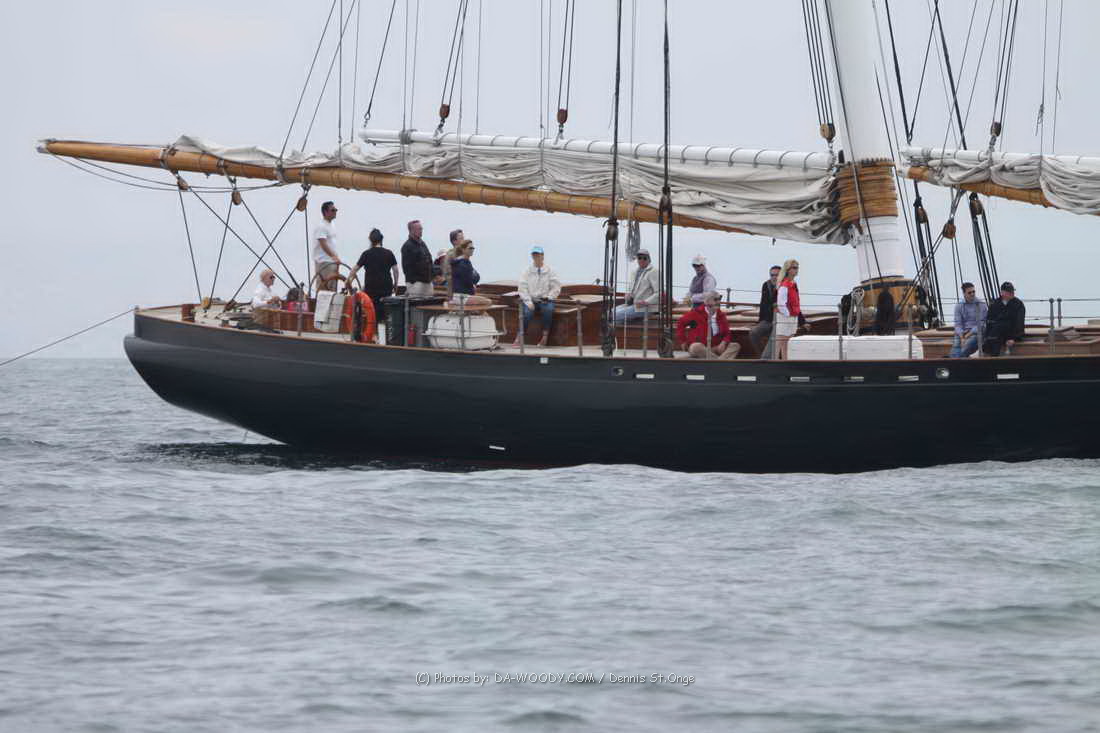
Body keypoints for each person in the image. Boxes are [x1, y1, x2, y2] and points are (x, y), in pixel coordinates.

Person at [515, 245, 562, 348]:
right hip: (531, 299)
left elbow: (556, 287)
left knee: (548, 310)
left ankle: (545, 337)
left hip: (545, 299)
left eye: (538, 254)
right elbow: (522, 287)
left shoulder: (550, 270)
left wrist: (549, 297)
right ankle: (519, 337)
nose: (536, 257)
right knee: (527, 313)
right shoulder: (527, 271)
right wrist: (528, 301)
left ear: (543, 256)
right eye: (534, 255)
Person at [346, 228, 399, 319]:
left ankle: (371, 323)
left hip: (371, 287)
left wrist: (348, 280)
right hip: (386, 287)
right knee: (384, 309)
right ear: (381, 239)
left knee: (370, 309)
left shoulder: (366, 254)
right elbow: (395, 270)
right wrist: (395, 284)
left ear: (370, 240)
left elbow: (355, 269)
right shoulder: (389, 253)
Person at [675, 291, 739, 359]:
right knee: (695, 347)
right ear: (707, 301)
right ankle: (720, 362)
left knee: (735, 346)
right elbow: (680, 323)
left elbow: (727, 333)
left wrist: (724, 342)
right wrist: (683, 341)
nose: (718, 302)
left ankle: (717, 361)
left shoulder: (721, 315)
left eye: (719, 299)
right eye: (715, 299)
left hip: (716, 347)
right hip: (701, 348)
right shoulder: (695, 313)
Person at [612, 249, 661, 323]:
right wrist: (628, 294)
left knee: (615, 315)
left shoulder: (654, 272)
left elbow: (658, 293)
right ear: (637, 259)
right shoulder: (634, 272)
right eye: (639, 258)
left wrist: (645, 302)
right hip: (633, 304)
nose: (642, 260)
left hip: (646, 308)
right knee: (610, 312)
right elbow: (630, 288)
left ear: (649, 260)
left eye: (644, 258)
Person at [983, 281, 1026, 356]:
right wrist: (987, 336)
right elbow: (989, 321)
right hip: (997, 333)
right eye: (1009, 292)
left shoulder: (1018, 304)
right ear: (1002, 293)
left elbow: (1019, 322)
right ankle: (991, 354)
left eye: (1012, 291)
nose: (1012, 293)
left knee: (1000, 327)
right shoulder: (994, 304)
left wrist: (1014, 338)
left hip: (1011, 332)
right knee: (994, 334)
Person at [749, 265, 781, 358]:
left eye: (777, 275)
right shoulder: (766, 285)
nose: (774, 277)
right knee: (754, 333)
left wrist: (802, 322)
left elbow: (794, 304)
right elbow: (763, 304)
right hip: (768, 319)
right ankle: (762, 357)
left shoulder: (785, 286)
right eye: (772, 275)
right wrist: (760, 321)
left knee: (774, 336)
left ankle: (767, 358)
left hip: (780, 320)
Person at [949, 282, 988, 358]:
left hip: (976, 332)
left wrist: (967, 336)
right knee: (956, 347)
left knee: (966, 346)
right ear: (964, 294)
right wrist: (962, 336)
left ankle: (955, 361)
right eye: (969, 292)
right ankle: (955, 360)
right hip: (963, 333)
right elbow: (958, 324)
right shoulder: (959, 306)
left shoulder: (981, 305)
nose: (972, 294)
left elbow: (981, 324)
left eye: (973, 291)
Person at [774, 259, 802, 360]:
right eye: (794, 268)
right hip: (785, 315)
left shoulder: (793, 283)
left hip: (793, 315)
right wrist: (788, 314)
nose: (796, 270)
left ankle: (785, 361)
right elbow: (781, 303)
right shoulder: (785, 284)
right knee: (781, 341)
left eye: (797, 268)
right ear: (788, 269)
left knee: (788, 342)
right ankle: (774, 362)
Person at [312, 201, 342, 291]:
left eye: (336, 210)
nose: (335, 212)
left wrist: (335, 258)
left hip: (332, 261)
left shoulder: (331, 225)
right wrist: (333, 256)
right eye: (333, 210)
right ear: (325, 212)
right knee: (324, 287)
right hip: (324, 261)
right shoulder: (321, 226)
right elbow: (323, 243)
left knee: (332, 287)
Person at [401, 219, 434, 297]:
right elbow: (406, 267)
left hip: (427, 282)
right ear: (411, 230)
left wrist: (431, 275)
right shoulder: (407, 246)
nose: (421, 231)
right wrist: (414, 282)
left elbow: (429, 259)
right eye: (419, 229)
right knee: (416, 304)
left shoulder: (423, 244)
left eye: (421, 229)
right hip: (416, 283)